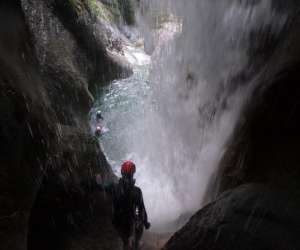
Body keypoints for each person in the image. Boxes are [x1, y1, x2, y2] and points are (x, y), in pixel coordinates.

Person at [96, 161, 150, 250]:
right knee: (138, 223)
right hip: (128, 221)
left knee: (127, 231)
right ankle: (135, 243)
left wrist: (98, 182)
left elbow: (102, 187)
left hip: (117, 222)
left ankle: (128, 242)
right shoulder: (137, 191)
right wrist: (145, 222)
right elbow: (142, 209)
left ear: (122, 172)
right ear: (133, 173)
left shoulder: (114, 188)